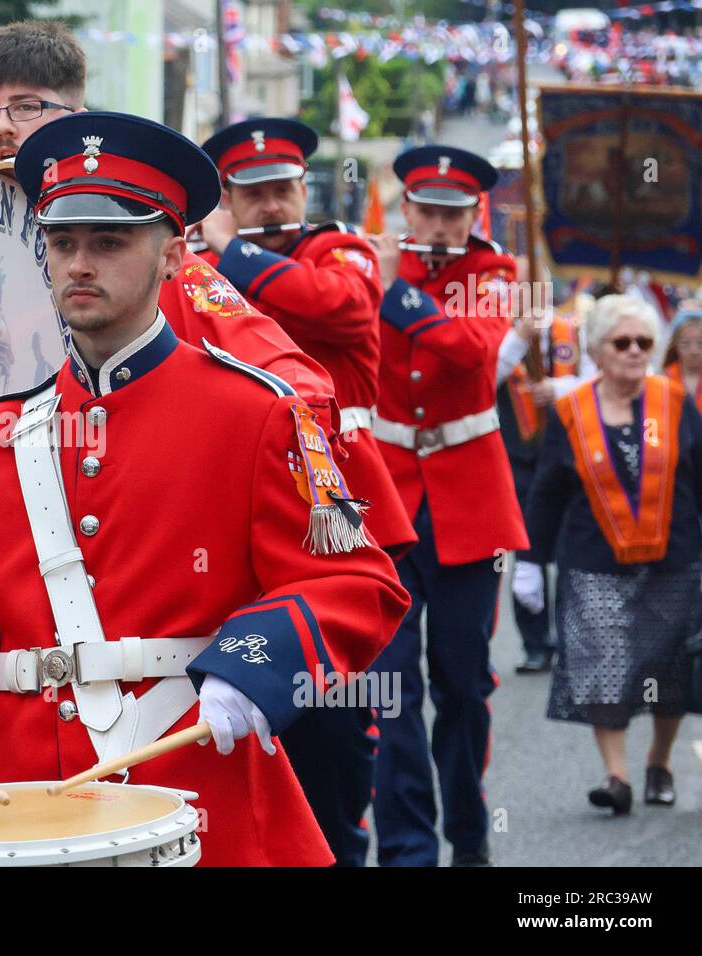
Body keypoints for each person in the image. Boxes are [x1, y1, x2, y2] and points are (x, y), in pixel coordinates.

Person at [0, 110, 410, 866]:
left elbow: (354, 578)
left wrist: (254, 663)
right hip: (29, 806)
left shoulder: (254, 413)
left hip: (194, 791)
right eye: (62, 242)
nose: (80, 263)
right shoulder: (0, 434)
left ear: (175, 253)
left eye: (110, 241)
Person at [195, 116, 418, 865]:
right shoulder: (196, 267)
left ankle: (392, 853)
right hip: (240, 517)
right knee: (247, 717)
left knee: (359, 718)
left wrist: (231, 249)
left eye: (282, 188)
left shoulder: (339, 249)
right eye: (250, 194)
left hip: (346, 516)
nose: (270, 203)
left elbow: (339, 306)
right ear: (227, 195)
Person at [366, 145, 529, 866]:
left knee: (462, 684)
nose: (435, 225)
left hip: (471, 501)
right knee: (389, 688)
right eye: (425, 210)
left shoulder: (492, 273)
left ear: (475, 217)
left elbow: (470, 349)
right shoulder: (371, 263)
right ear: (406, 209)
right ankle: (407, 848)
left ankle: (468, 833)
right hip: (386, 500)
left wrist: (391, 292)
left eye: (451, 213)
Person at [523, 295, 701, 813]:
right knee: (602, 665)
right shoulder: (571, 410)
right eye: (621, 342)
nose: (633, 351)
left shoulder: (674, 402)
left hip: (674, 559)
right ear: (597, 351)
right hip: (593, 561)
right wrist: (530, 562)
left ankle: (660, 764)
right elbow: (547, 492)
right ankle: (617, 776)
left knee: (669, 671)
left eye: (643, 342)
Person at [501, 278, 598, 674]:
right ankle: (535, 644)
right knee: (526, 552)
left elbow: (595, 380)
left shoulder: (572, 330)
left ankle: (571, 641)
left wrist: (557, 388)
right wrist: (517, 340)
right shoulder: (502, 336)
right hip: (516, 459)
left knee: (568, 550)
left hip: (565, 458)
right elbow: (483, 379)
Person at [661, 306, 702, 410]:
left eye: (700, 343)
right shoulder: (663, 378)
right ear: (675, 346)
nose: (694, 351)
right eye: (685, 343)